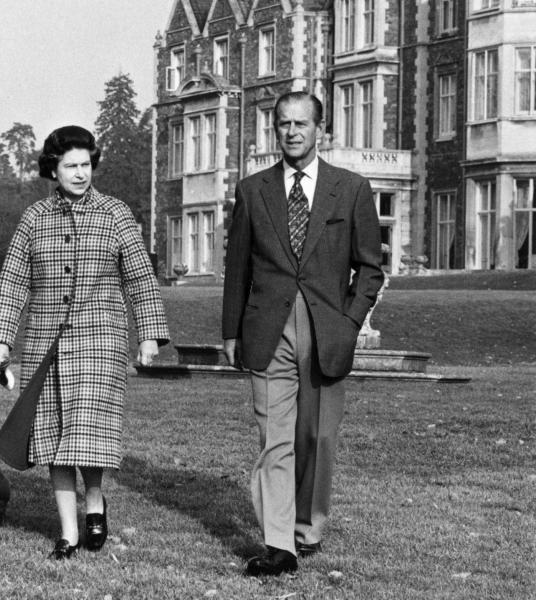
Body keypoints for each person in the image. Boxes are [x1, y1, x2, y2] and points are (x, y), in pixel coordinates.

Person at [0, 125, 170, 560]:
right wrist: (0, 343)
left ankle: (94, 501)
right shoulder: (34, 218)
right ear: (53, 168)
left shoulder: (116, 214)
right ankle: (68, 532)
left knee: (87, 430)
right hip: (47, 341)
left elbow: (140, 276)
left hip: (101, 339)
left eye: (86, 165)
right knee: (53, 437)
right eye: (71, 166)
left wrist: (149, 336)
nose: (81, 173)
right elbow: (12, 282)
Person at [221, 92, 384, 576]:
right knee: (275, 438)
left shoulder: (351, 188)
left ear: (320, 130)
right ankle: (280, 547)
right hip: (268, 330)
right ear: (275, 130)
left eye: (302, 124)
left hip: (327, 329)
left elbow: (369, 270)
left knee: (316, 436)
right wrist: (231, 330)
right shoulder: (253, 191)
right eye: (283, 125)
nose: (292, 132)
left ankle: (307, 528)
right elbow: (237, 269)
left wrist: (349, 323)